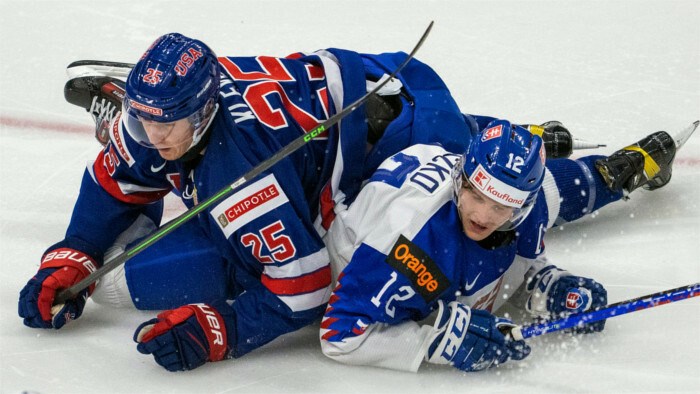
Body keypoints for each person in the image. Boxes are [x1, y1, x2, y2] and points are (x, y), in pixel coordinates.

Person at [16, 32, 615, 372]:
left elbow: (307, 288)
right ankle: (505, 135)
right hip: (373, 87)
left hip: (402, 124)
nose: (153, 134)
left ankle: (548, 154)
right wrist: (74, 252)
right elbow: (115, 176)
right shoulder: (180, 122)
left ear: (205, 109)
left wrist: (220, 329)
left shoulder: (245, 182)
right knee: (144, 172)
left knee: (481, 207)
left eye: (166, 122)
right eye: (141, 120)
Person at [319, 118, 685, 372]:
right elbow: (339, 334)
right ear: (460, 178)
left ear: (522, 202)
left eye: (502, 204)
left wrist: (546, 286)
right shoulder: (410, 247)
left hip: (446, 184)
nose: (483, 214)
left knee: (567, 190)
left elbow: (515, 242)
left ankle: (609, 171)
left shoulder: (525, 203)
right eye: (477, 195)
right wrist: (432, 344)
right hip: (376, 238)